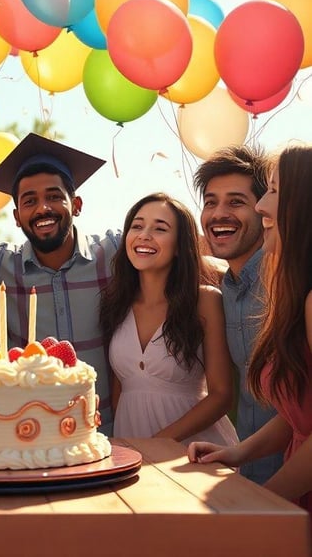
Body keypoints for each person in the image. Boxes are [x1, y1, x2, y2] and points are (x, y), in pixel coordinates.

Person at [189, 144, 312, 519]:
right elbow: (301, 412)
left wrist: (262, 503)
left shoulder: (301, 295)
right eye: (210, 201)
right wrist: (238, 453)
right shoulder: (224, 289)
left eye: (272, 193)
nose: (262, 208)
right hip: (263, 487)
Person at [0, 133, 120, 433]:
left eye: (54, 196)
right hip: (30, 433)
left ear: (77, 204)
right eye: (30, 201)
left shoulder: (112, 254)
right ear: (17, 216)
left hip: (105, 431)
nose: (43, 208)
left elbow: (173, 243)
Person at [99, 192, 238, 446]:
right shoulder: (116, 304)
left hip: (195, 453)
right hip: (134, 454)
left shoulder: (205, 300)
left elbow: (222, 395)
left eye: (160, 228)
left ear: (179, 246)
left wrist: (156, 444)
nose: (144, 235)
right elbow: (120, 389)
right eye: (137, 226)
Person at [194, 145, 283, 483]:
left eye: (235, 202)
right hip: (250, 476)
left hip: (294, 483)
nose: (219, 214)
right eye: (210, 202)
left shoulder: (288, 282)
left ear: (264, 210)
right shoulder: (225, 287)